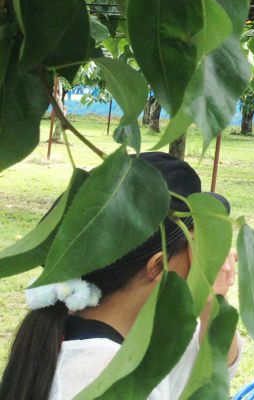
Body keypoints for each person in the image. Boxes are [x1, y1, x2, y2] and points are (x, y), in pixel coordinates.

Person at [0, 151, 241, 400]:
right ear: (158, 266)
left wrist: (210, 303)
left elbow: (219, 367)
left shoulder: (140, 328)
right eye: (198, 243)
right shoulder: (99, 374)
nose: (212, 252)